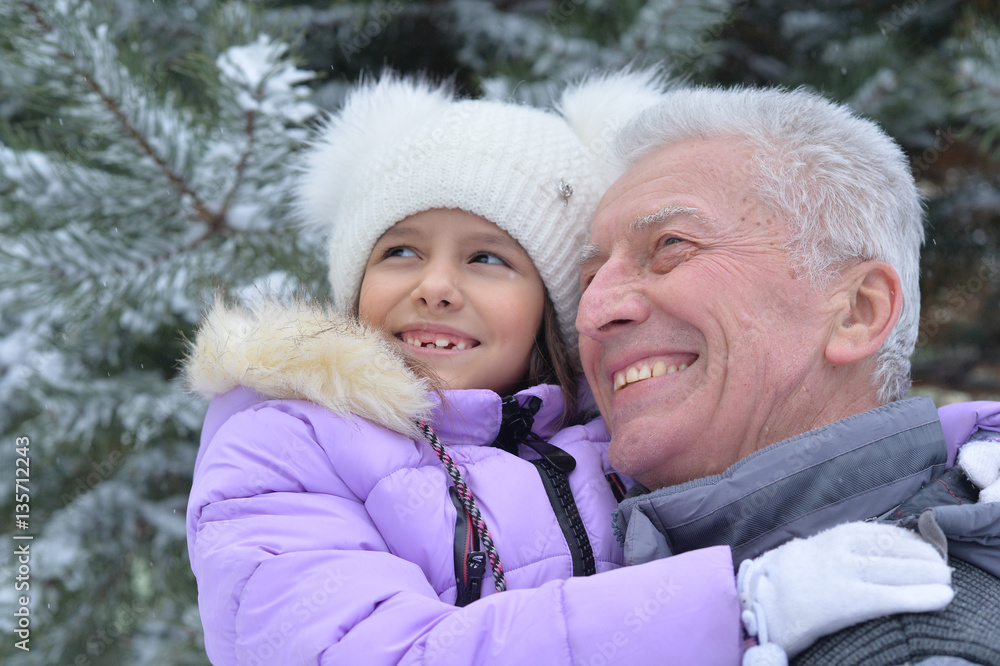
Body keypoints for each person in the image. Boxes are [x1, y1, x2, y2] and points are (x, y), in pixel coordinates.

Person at [182, 73, 955, 665]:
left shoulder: (600, 444)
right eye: (399, 251)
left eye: (488, 258)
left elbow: (817, 455)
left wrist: (974, 439)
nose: (436, 284)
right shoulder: (284, 444)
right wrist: (736, 604)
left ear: (550, 313)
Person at [574, 82, 1000, 665]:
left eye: (672, 244)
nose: (592, 313)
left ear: (857, 312)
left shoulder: (908, 646)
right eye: (588, 278)